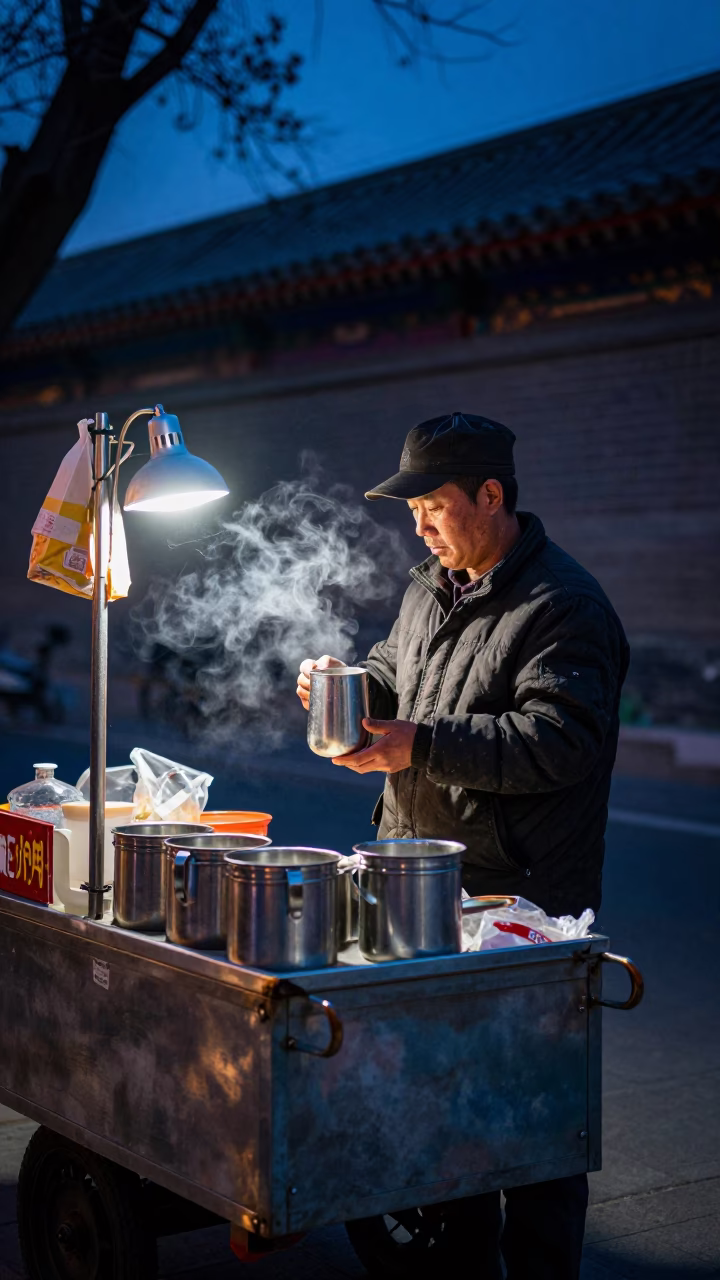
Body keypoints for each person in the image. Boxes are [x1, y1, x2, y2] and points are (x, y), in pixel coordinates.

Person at [296, 410, 629, 1280]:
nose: (420, 526)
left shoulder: (564, 605)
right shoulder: (427, 588)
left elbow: (560, 741)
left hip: (517, 903)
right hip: (419, 890)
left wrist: (422, 743)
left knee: (531, 1119)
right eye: (411, 512)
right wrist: (348, 686)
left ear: (491, 495)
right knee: (442, 1111)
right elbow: (396, 672)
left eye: (434, 507)